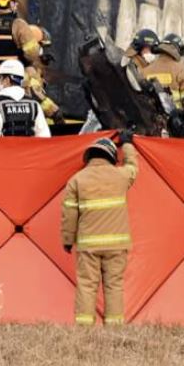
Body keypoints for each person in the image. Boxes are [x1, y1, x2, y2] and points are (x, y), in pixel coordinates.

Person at [61, 134, 138, 326]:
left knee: (87, 285)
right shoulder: (121, 176)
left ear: (90, 157)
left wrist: (67, 240)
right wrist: (127, 144)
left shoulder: (76, 180)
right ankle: (114, 328)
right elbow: (133, 167)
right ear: (111, 157)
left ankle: (84, 328)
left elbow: (69, 214)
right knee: (114, 285)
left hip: (88, 245)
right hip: (117, 245)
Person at [0, 59, 50, 137]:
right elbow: (44, 136)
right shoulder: (34, 104)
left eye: (0, 78)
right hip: (30, 148)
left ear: (7, 80)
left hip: (6, 148)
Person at [142, 32, 184, 104]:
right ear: (177, 50)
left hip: (150, 113)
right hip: (175, 114)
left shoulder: (145, 70)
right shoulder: (181, 70)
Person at [24, 24, 63, 125]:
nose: (44, 54)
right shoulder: (27, 72)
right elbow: (36, 96)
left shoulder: (31, 69)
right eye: (41, 47)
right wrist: (55, 112)